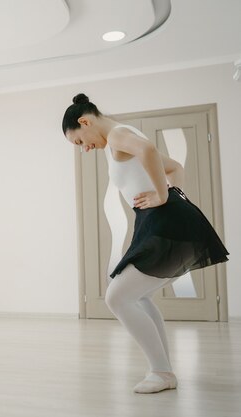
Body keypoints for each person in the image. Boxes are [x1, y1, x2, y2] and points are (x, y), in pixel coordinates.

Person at [62, 94, 229, 393]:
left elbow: (149, 149)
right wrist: (168, 195)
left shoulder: (118, 134)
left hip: (164, 219)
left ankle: (162, 372)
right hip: (160, 219)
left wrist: (163, 197)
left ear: (84, 122)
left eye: (79, 142)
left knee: (116, 297)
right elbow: (175, 167)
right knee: (137, 297)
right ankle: (163, 370)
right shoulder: (116, 139)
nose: (85, 149)